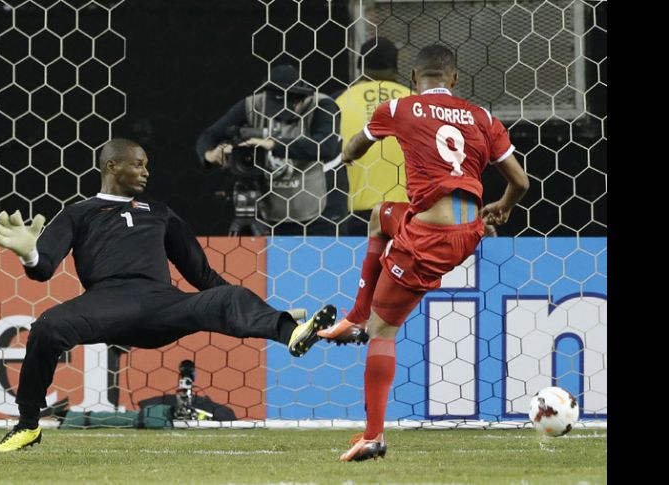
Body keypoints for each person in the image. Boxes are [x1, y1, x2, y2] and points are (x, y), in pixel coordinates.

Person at [0, 138, 339, 453]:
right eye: (138, 164)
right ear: (112, 166)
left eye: (146, 164)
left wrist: (266, 311)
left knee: (230, 295)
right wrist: (29, 254)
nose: (146, 172)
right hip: (107, 304)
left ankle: (290, 333)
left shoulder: (159, 212)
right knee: (47, 327)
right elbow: (43, 270)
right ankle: (28, 425)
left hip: (163, 305)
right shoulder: (78, 213)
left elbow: (201, 274)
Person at [317, 45, 529, 461]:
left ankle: (374, 435)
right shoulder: (482, 117)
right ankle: (354, 317)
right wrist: (503, 207)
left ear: (414, 78)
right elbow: (520, 182)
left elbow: (358, 146)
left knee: (384, 332)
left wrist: (345, 153)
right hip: (467, 231)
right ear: (453, 79)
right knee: (382, 216)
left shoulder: (400, 108)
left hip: (429, 237)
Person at [195, 64, 341, 236]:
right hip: (270, 214)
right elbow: (208, 136)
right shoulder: (253, 105)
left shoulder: (323, 106)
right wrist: (211, 155)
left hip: (318, 211)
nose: (280, 117)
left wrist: (272, 145)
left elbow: (326, 147)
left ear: (301, 99)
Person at [333, 37, 413, 235]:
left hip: (354, 214)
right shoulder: (418, 103)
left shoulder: (337, 102)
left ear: (360, 64)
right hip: (406, 214)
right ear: (396, 66)